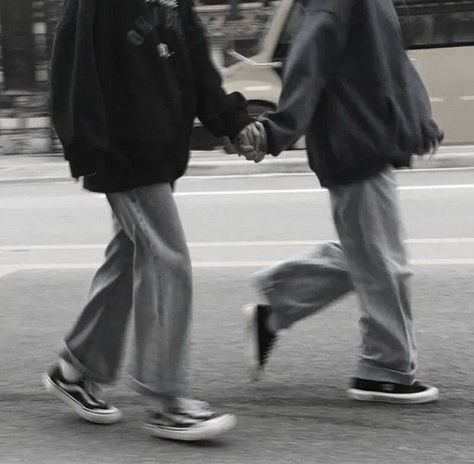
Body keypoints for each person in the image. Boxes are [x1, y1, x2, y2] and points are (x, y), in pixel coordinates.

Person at [42, 0, 254, 442]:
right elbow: (71, 63)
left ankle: (76, 367)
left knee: (131, 256)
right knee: (166, 258)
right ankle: (167, 400)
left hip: (159, 149)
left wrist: (230, 121)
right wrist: (84, 144)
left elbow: (195, 57)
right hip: (120, 150)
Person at [235, 0, 444, 404]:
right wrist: (277, 131)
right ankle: (383, 370)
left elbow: (390, 62)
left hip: (369, 137)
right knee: (382, 262)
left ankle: (278, 305)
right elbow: (308, 62)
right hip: (353, 141)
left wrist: (415, 117)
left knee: (370, 253)